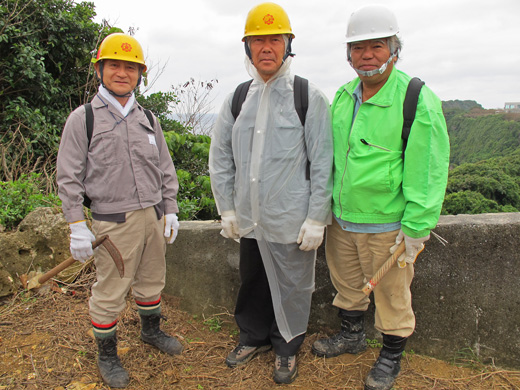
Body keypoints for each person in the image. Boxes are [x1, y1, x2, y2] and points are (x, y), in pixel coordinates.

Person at [311, 5, 449, 390]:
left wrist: (417, 228)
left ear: (395, 49)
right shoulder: (342, 97)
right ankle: (352, 335)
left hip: (388, 225)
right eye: (357, 48)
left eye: (376, 46)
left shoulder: (416, 98)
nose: (366, 55)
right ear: (348, 53)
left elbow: (427, 171)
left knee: (391, 296)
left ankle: (390, 355)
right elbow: (329, 159)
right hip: (342, 220)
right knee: (348, 285)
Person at [209, 2, 332, 385]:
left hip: (290, 218)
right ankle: (253, 337)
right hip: (249, 217)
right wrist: (226, 209)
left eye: (274, 40)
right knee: (254, 281)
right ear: (248, 48)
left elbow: (323, 160)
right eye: (258, 40)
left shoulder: (307, 96)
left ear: (287, 45)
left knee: (293, 285)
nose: (266, 48)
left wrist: (316, 218)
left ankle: (287, 348)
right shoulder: (237, 98)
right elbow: (221, 157)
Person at [57, 33, 182, 388]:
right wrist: (77, 225)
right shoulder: (83, 120)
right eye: (114, 65)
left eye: (130, 67)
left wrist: (169, 209)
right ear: (100, 69)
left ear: (140, 73)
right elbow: (68, 178)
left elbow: (165, 168)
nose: (122, 73)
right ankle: (107, 355)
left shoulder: (148, 119)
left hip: (153, 216)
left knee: (151, 278)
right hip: (114, 222)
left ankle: (151, 332)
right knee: (111, 289)